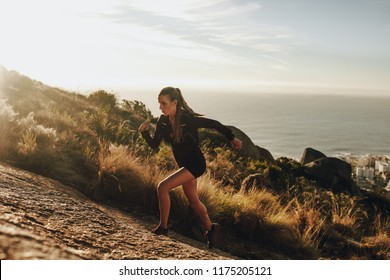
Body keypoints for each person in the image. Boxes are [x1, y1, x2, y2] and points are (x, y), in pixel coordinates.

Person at [138, 87, 242, 248]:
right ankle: (211, 229)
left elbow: (214, 124)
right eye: (159, 104)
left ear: (174, 102)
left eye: (163, 103)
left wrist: (232, 138)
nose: (160, 107)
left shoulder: (188, 119)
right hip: (184, 166)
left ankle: (163, 227)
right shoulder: (163, 121)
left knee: (163, 187)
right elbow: (154, 144)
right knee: (194, 202)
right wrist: (144, 134)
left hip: (196, 164)